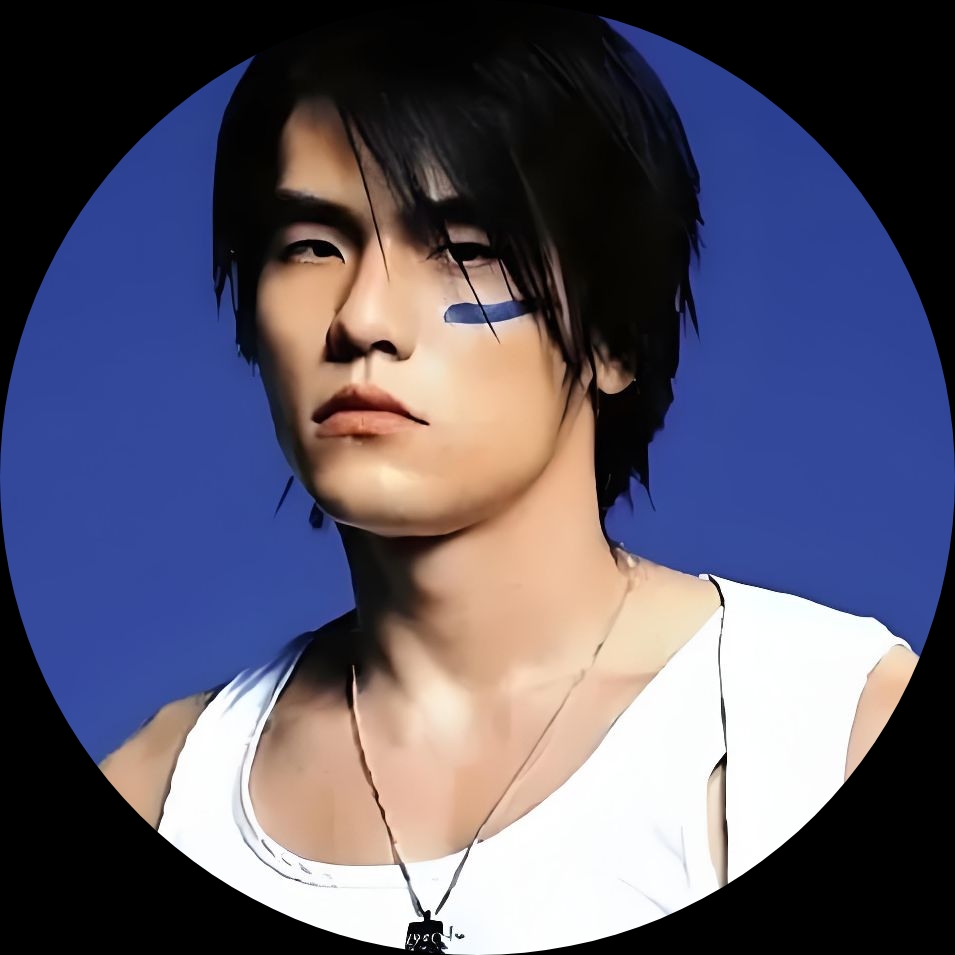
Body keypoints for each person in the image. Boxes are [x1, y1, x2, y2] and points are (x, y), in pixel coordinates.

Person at [99, 8, 918, 952]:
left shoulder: (822, 730)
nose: (362, 318)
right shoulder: (166, 791)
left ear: (613, 337)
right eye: (312, 245)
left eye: (464, 249)